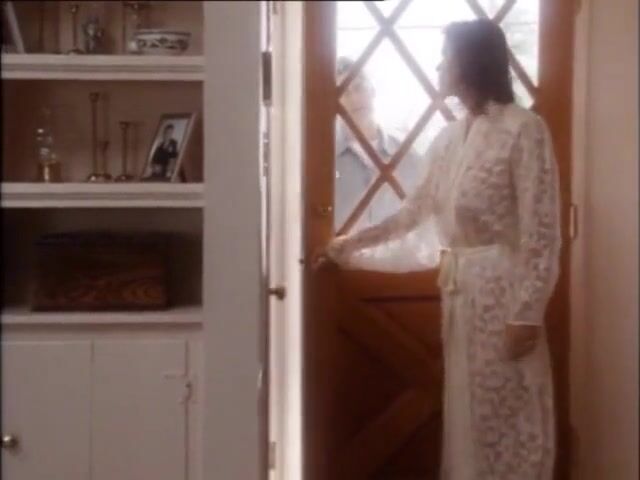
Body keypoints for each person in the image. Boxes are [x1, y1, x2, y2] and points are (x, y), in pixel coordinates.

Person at [322, 19, 560, 480]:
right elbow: (415, 212)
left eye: (446, 57)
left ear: (471, 62)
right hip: (460, 294)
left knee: (507, 412)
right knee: (467, 412)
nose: (438, 67)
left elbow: (542, 229)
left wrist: (528, 313)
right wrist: (350, 247)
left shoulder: (523, 130)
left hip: (504, 296)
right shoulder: (449, 138)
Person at [335, 57, 424, 232]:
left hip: (398, 249)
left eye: (359, 88)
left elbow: (423, 212)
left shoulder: (407, 152)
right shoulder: (322, 158)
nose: (354, 98)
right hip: (341, 250)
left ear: (373, 91)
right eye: (344, 92)